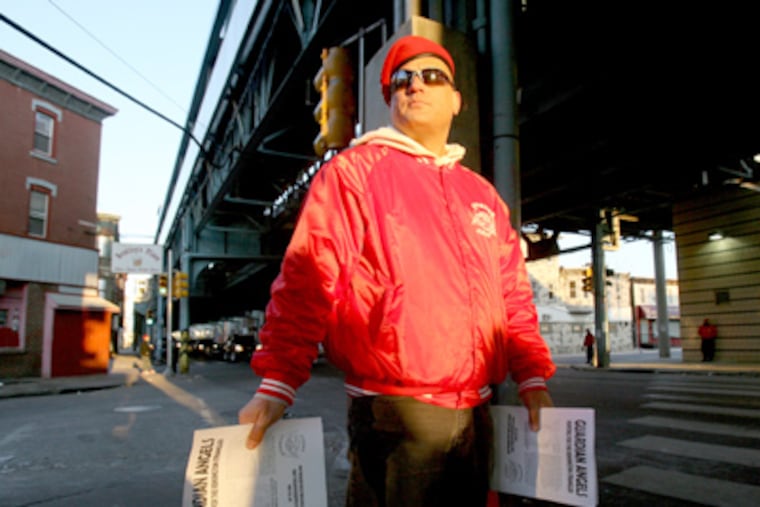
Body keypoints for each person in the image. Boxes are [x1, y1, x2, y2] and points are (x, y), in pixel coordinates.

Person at [238, 34, 556, 507]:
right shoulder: (353, 173)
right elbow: (308, 277)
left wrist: (532, 378)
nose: (416, 85)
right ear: (389, 100)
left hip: (478, 412)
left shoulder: (481, 194)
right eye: (402, 80)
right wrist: (278, 382)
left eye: (432, 76)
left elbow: (512, 295)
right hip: (393, 415)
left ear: (456, 99)